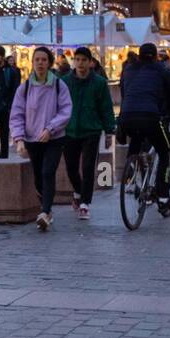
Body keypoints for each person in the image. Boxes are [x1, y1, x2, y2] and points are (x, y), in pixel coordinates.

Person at [117, 42, 170, 205]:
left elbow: (124, 92)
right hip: (151, 116)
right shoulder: (162, 70)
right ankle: (163, 196)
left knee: (136, 141)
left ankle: (131, 169)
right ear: (156, 56)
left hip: (127, 117)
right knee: (165, 152)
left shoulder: (128, 69)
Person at [10, 46, 72, 231]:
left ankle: (45, 211)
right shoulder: (25, 87)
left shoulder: (59, 85)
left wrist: (51, 128)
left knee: (47, 172)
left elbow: (66, 110)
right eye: (37, 59)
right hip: (32, 138)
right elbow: (16, 114)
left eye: (44, 60)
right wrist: (19, 138)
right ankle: (46, 209)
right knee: (38, 175)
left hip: (54, 138)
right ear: (32, 62)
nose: (40, 63)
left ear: (50, 63)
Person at [61, 47, 116, 220]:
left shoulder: (99, 82)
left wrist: (109, 131)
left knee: (88, 166)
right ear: (73, 61)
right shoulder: (64, 81)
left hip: (91, 130)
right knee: (70, 167)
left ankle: (85, 203)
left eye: (84, 60)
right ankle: (78, 191)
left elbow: (106, 107)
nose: (80, 63)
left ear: (90, 62)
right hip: (69, 130)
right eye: (77, 59)